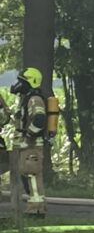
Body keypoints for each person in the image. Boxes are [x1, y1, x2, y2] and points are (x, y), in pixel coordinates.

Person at [9, 67, 48, 214]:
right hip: (26, 144)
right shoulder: (27, 98)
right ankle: (35, 206)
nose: (19, 85)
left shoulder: (34, 99)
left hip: (32, 145)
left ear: (31, 82)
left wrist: (29, 136)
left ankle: (36, 209)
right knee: (27, 174)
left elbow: (39, 119)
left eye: (22, 82)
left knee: (32, 174)